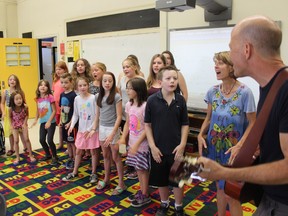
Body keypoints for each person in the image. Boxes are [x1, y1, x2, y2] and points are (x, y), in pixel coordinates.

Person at [197, 15, 288, 216]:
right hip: (270, 198)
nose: (229, 55)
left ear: (246, 50)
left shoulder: (284, 89)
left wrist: (227, 173)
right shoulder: (271, 86)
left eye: (231, 48)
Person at [197, 51, 256, 216]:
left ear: (232, 67)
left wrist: (240, 145)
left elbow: (253, 123)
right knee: (219, 187)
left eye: (220, 63)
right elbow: (208, 118)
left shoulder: (245, 92)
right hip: (215, 147)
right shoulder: (212, 92)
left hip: (234, 151)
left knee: (232, 194)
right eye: (215, 63)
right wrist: (200, 134)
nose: (216, 66)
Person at [145, 65, 189, 216]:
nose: (172, 81)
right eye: (168, 78)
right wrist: (152, 146)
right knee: (161, 179)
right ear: (160, 81)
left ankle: (178, 205)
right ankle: (164, 203)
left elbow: (185, 125)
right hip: (158, 149)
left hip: (177, 149)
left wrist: (182, 144)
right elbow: (147, 125)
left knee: (178, 180)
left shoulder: (181, 100)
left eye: (175, 78)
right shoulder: (151, 100)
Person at [118, 77, 150, 207]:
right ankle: (142, 191)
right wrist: (123, 138)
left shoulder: (145, 106)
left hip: (142, 145)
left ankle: (145, 194)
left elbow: (148, 128)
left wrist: (137, 144)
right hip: (132, 143)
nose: (127, 90)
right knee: (137, 169)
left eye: (130, 88)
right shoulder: (129, 105)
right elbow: (127, 124)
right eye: (127, 87)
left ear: (138, 89)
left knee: (143, 170)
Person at [62, 76, 100, 183]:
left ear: (88, 86)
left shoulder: (93, 98)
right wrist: (72, 125)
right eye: (80, 85)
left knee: (93, 152)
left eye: (85, 85)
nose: (82, 87)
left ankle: (93, 173)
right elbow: (76, 115)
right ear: (77, 87)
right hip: (81, 130)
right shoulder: (76, 99)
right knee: (78, 151)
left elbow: (97, 115)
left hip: (92, 130)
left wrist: (90, 128)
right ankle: (74, 172)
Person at [95, 72, 126, 195]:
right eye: (105, 81)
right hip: (102, 128)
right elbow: (97, 115)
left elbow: (119, 117)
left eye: (110, 81)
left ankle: (121, 184)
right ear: (101, 83)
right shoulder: (98, 96)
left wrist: (113, 133)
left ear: (113, 83)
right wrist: (93, 129)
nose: (107, 83)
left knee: (116, 156)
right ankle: (106, 179)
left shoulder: (117, 97)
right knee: (105, 156)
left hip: (112, 129)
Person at [118, 57, 144, 179]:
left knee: (134, 139)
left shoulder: (140, 79)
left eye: (128, 66)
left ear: (134, 67)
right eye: (123, 67)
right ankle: (127, 162)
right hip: (125, 111)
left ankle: (134, 166)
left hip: (136, 113)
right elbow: (119, 94)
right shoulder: (122, 78)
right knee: (124, 138)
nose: (125, 69)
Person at [30, 80, 58, 165]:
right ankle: (48, 154)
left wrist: (49, 121)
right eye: (41, 85)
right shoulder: (38, 99)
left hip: (51, 122)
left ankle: (55, 156)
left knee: (49, 140)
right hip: (43, 122)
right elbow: (38, 110)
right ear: (38, 88)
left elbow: (54, 111)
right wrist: (35, 120)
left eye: (45, 85)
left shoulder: (50, 97)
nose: (43, 86)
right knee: (41, 140)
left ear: (48, 88)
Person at [1, 74, 27, 156]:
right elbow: (2, 103)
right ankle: (12, 148)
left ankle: (25, 146)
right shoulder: (5, 92)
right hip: (9, 113)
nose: (12, 81)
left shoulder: (20, 92)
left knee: (21, 131)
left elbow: (24, 103)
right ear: (8, 82)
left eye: (14, 79)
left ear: (17, 82)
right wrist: (3, 112)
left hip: (19, 113)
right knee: (11, 132)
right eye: (10, 79)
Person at [9, 91, 36, 165]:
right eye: (16, 99)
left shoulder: (25, 107)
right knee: (16, 141)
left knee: (26, 139)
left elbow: (27, 115)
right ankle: (17, 157)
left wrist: (25, 123)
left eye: (20, 98)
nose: (19, 100)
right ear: (13, 101)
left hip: (23, 123)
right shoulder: (11, 109)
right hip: (15, 124)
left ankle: (30, 155)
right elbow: (10, 117)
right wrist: (11, 125)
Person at [59, 73, 77, 170]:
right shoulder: (62, 94)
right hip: (64, 122)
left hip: (71, 124)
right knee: (68, 142)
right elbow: (62, 108)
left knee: (73, 142)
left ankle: (75, 159)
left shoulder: (74, 95)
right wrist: (61, 121)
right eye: (62, 83)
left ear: (71, 82)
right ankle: (70, 158)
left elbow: (75, 111)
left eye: (66, 82)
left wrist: (70, 123)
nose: (64, 85)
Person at [52, 61, 69, 150]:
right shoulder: (55, 80)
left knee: (65, 124)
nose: (58, 71)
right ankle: (61, 142)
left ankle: (68, 143)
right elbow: (54, 92)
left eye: (60, 69)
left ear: (65, 69)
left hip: (64, 107)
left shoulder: (66, 80)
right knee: (59, 125)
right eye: (56, 69)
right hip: (57, 107)